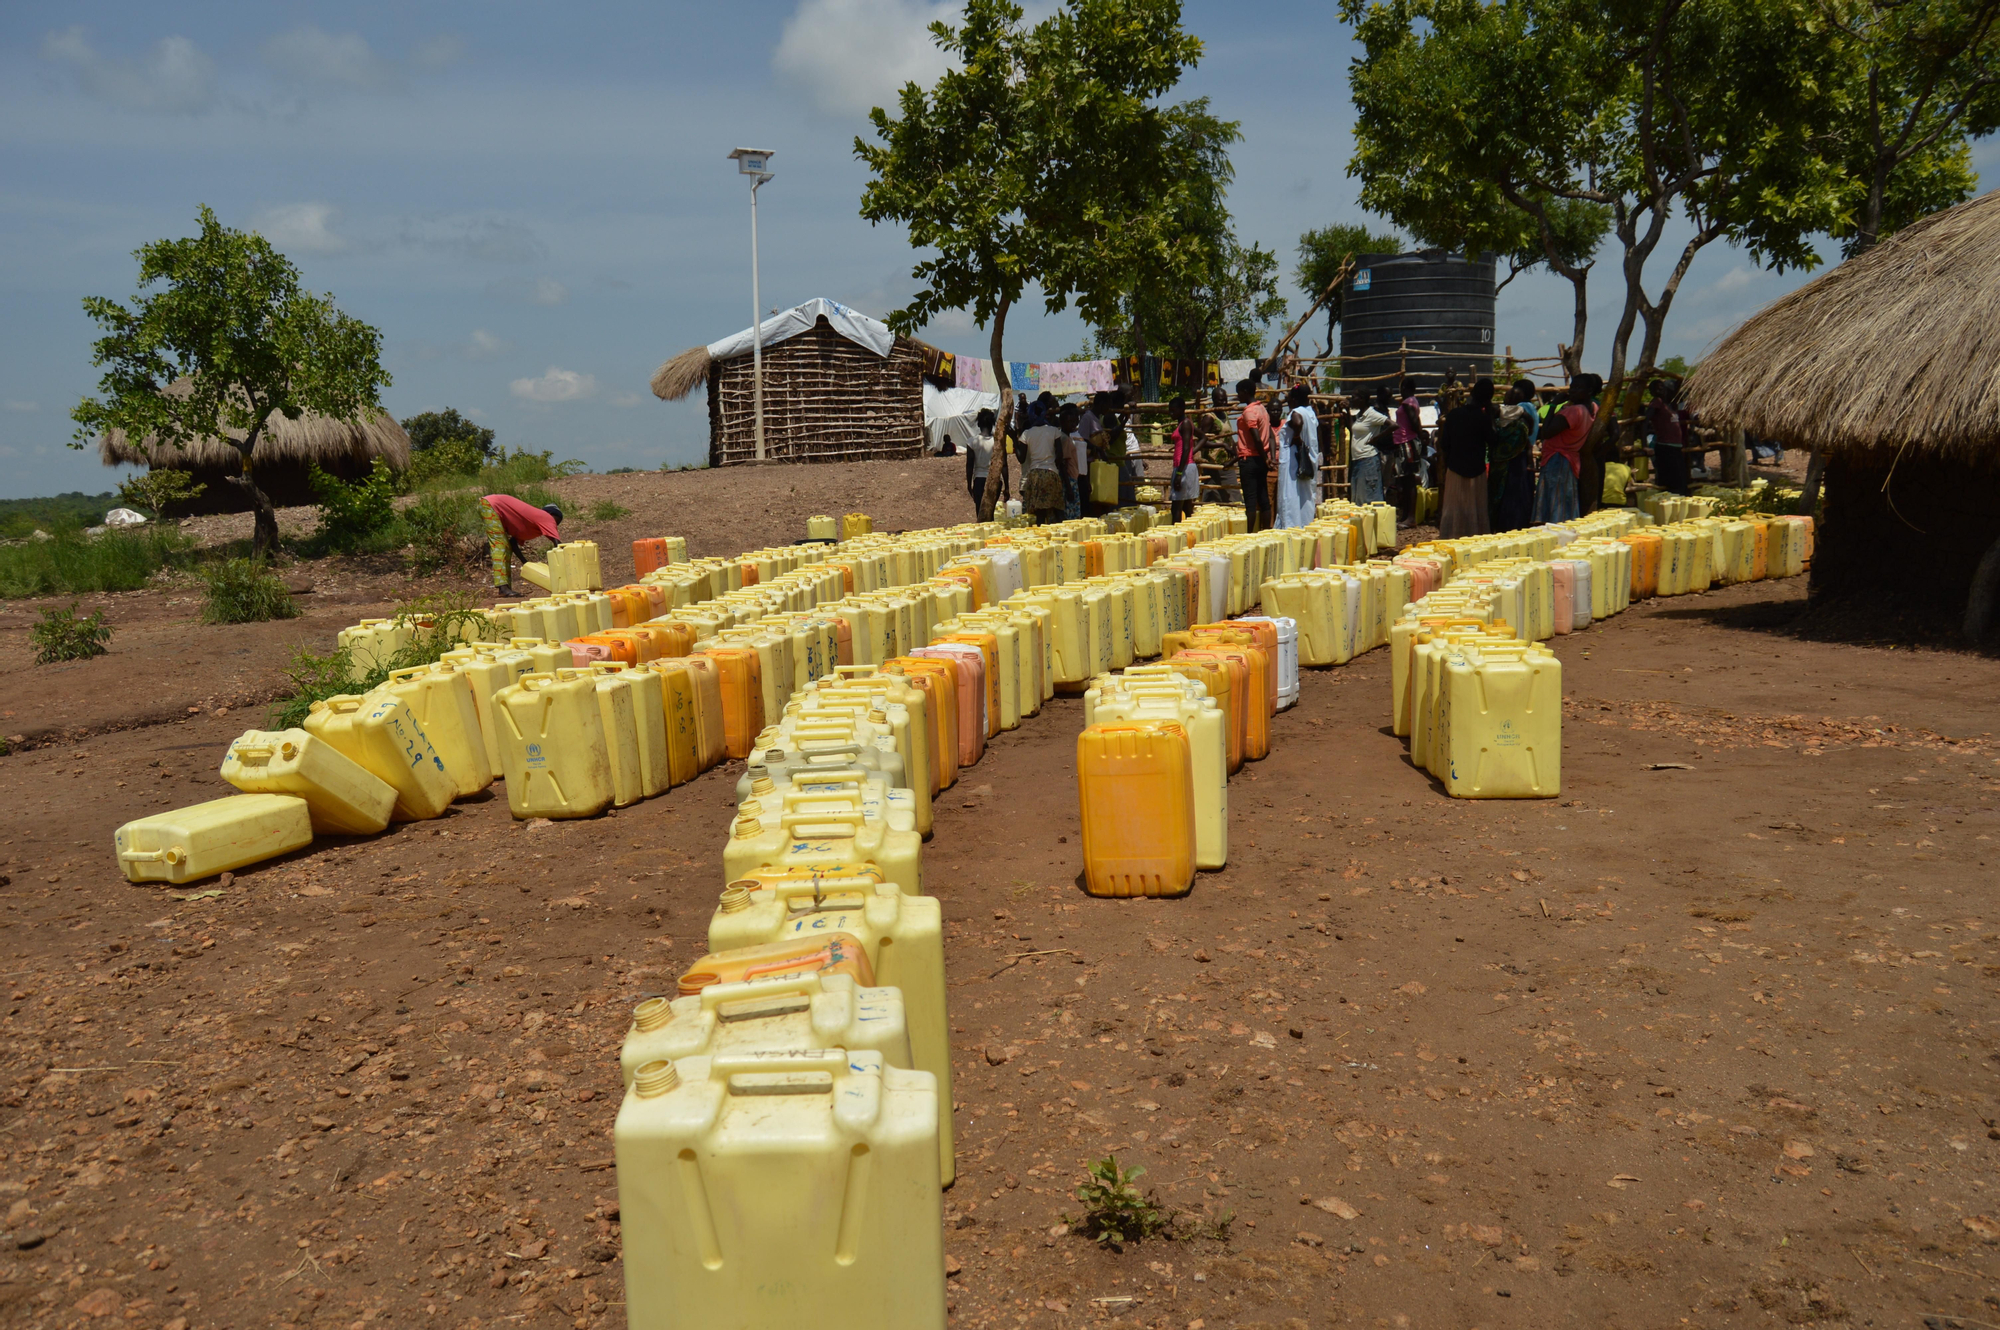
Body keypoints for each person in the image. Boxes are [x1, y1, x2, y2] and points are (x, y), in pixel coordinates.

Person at [1436, 377, 1495, 538]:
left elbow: (1444, 444)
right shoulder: (1483, 418)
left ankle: (1452, 538)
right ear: (1488, 399)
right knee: (1476, 508)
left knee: (1454, 508)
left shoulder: (1454, 415)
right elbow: (1493, 441)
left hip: (1455, 468)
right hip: (1477, 469)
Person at [1534, 377, 1596, 523]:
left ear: (1589, 391)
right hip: (1570, 459)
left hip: (1557, 459)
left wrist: (1553, 405)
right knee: (1564, 504)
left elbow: (1546, 432)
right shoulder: (1591, 408)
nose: (1573, 391)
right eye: (1572, 388)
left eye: (1578, 388)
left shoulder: (1574, 411)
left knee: (1556, 506)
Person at [480, 494, 563, 596]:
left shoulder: (529, 526)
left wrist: (526, 563)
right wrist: (562, 570)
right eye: (557, 520)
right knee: (500, 546)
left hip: (491, 506)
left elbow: (512, 544)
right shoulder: (546, 517)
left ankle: (505, 588)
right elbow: (558, 545)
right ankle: (503, 588)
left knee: (506, 547)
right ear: (551, 515)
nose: (556, 524)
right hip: (492, 505)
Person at [1488, 378, 1539, 532]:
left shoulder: (1520, 408)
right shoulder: (1531, 408)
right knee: (1521, 494)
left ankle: (1506, 525)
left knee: (1509, 494)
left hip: (1514, 456)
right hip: (1523, 454)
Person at [1275, 384, 1320, 529]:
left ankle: (1291, 528)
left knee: (1290, 496)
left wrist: (1296, 437)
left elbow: (1297, 422)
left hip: (1293, 462)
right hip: (1307, 460)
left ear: (1294, 400)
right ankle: (1305, 526)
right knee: (1305, 497)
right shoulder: (1310, 412)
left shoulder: (1297, 412)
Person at [1019, 404, 1072, 526]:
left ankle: (1041, 539)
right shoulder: (1054, 431)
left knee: (1039, 514)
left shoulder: (1026, 434)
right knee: (1057, 510)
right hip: (1051, 473)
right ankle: (1062, 536)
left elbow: (1021, 458)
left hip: (1034, 475)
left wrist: (1016, 444)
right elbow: (1059, 456)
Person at [1234, 379, 1274, 532]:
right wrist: (1267, 458)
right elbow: (1269, 436)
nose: (1238, 396)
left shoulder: (1249, 412)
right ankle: (1266, 531)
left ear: (1245, 392)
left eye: (1239, 393)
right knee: (1263, 497)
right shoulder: (1262, 409)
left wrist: (1265, 458)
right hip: (1260, 459)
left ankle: (1250, 534)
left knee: (1250, 500)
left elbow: (1256, 437)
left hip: (1250, 459)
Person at [1647, 378, 1690, 495]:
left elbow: (1677, 390)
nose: (1661, 391)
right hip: (1665, 447)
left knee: (1680, 481)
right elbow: (1645, 421)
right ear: (1652, 392)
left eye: (1662, 388)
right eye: (1657, 389)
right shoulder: (1657, 402)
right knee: (1674, 483)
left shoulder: (1670, 404)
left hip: (1675, 447)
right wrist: (1644, 445)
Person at [1348, 389, 1391, 504]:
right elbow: (1353, 430)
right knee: (1359, 498)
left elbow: (1393, 425)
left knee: (1369, 497)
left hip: (1368, 459)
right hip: (1357, 459)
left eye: (1353, 397)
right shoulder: (1359, 415)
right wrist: (1346, 412)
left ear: (1362, 399)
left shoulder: (1372, 414)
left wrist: (1376, 439)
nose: (1351, 400)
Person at [1392, 376, 1425, 518]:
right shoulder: (1413, 402)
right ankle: (1406, 515)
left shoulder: (1407, 403)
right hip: (1405, 442)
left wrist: (1419, 437)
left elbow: (1414, 422)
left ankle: (1410, 516)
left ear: (1404, 388)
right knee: (1405, 479)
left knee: (1409, 480)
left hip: (1407, 442)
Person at [1167, 396, 1202, 521]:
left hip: (1184, 468)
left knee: (1176, 507)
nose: (1171, 413)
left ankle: (1177, 535)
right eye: (1170, 411)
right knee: (1187, 507)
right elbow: (1202, 437)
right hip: (1184, 466)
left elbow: (1186, 448)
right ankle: (1189, 535)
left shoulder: (1186, 423)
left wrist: (1179, 473)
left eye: (1174, 410)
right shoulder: (1184, 424)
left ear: (1182, 409)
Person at [965, 408, 996, 515]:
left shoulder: (972, 442)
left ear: (978, 424)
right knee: (992, 511)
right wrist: (1006, 486)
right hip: (994, 479)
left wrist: (969, 484)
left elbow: (969, 465)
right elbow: (1004, 464)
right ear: (992, 424)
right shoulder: (997, 442)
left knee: (980, 511)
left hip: (979, 480)